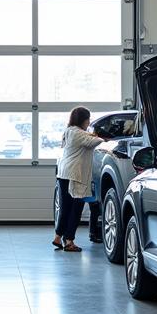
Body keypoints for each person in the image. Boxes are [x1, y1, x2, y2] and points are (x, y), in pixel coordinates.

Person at [53, 106, 103, 252]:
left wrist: (92, 135)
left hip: (64, 173)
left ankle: (57, 237)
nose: (89, 122)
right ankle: (69, 241)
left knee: (65, 208)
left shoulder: (69, 131)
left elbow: (86, 139)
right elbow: (92, 142)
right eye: (88, 119)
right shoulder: (78, 133)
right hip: (74, 175)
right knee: (76, 208)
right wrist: (102, 137)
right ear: (83, 119)